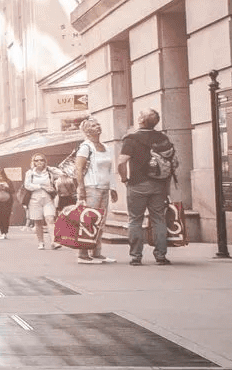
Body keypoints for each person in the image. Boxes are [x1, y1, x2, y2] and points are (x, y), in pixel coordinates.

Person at [116, 109, 177, 267]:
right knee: (158, 219)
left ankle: (136, 256)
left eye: (140, 114)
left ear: (141, 120)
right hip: (159, 185)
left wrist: (124, 179)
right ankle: (161, 255)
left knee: (135, 220)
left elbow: (121, 162)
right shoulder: (162, 137)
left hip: (137, 184)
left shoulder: (131, 138)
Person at [69, 118, 117, 263]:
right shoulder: (86, 147)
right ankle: (82, 254)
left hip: (104, 188)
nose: (98, 127)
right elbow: (78, 169)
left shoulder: (106, 147)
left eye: (98, 124)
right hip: (91, 188)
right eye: (94, 125)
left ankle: (96, 252)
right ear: (87, 130)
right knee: (88, 220)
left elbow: (110, 169)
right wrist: (81, 189)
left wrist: (113, 187)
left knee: (101, 220)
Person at [21, 154, 57, 250]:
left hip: (48, 198)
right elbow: (27, 185)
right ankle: (41, 242)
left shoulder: (49, 172)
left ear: (45, 162)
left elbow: (61, 173)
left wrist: (51, 168)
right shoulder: (30, 173)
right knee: (38, 222)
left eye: (42, 160)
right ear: (33, 162)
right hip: (34, 199)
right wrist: (41, 186)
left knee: (50, 219)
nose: (39, 162)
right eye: (36, 160)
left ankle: (54, 241)